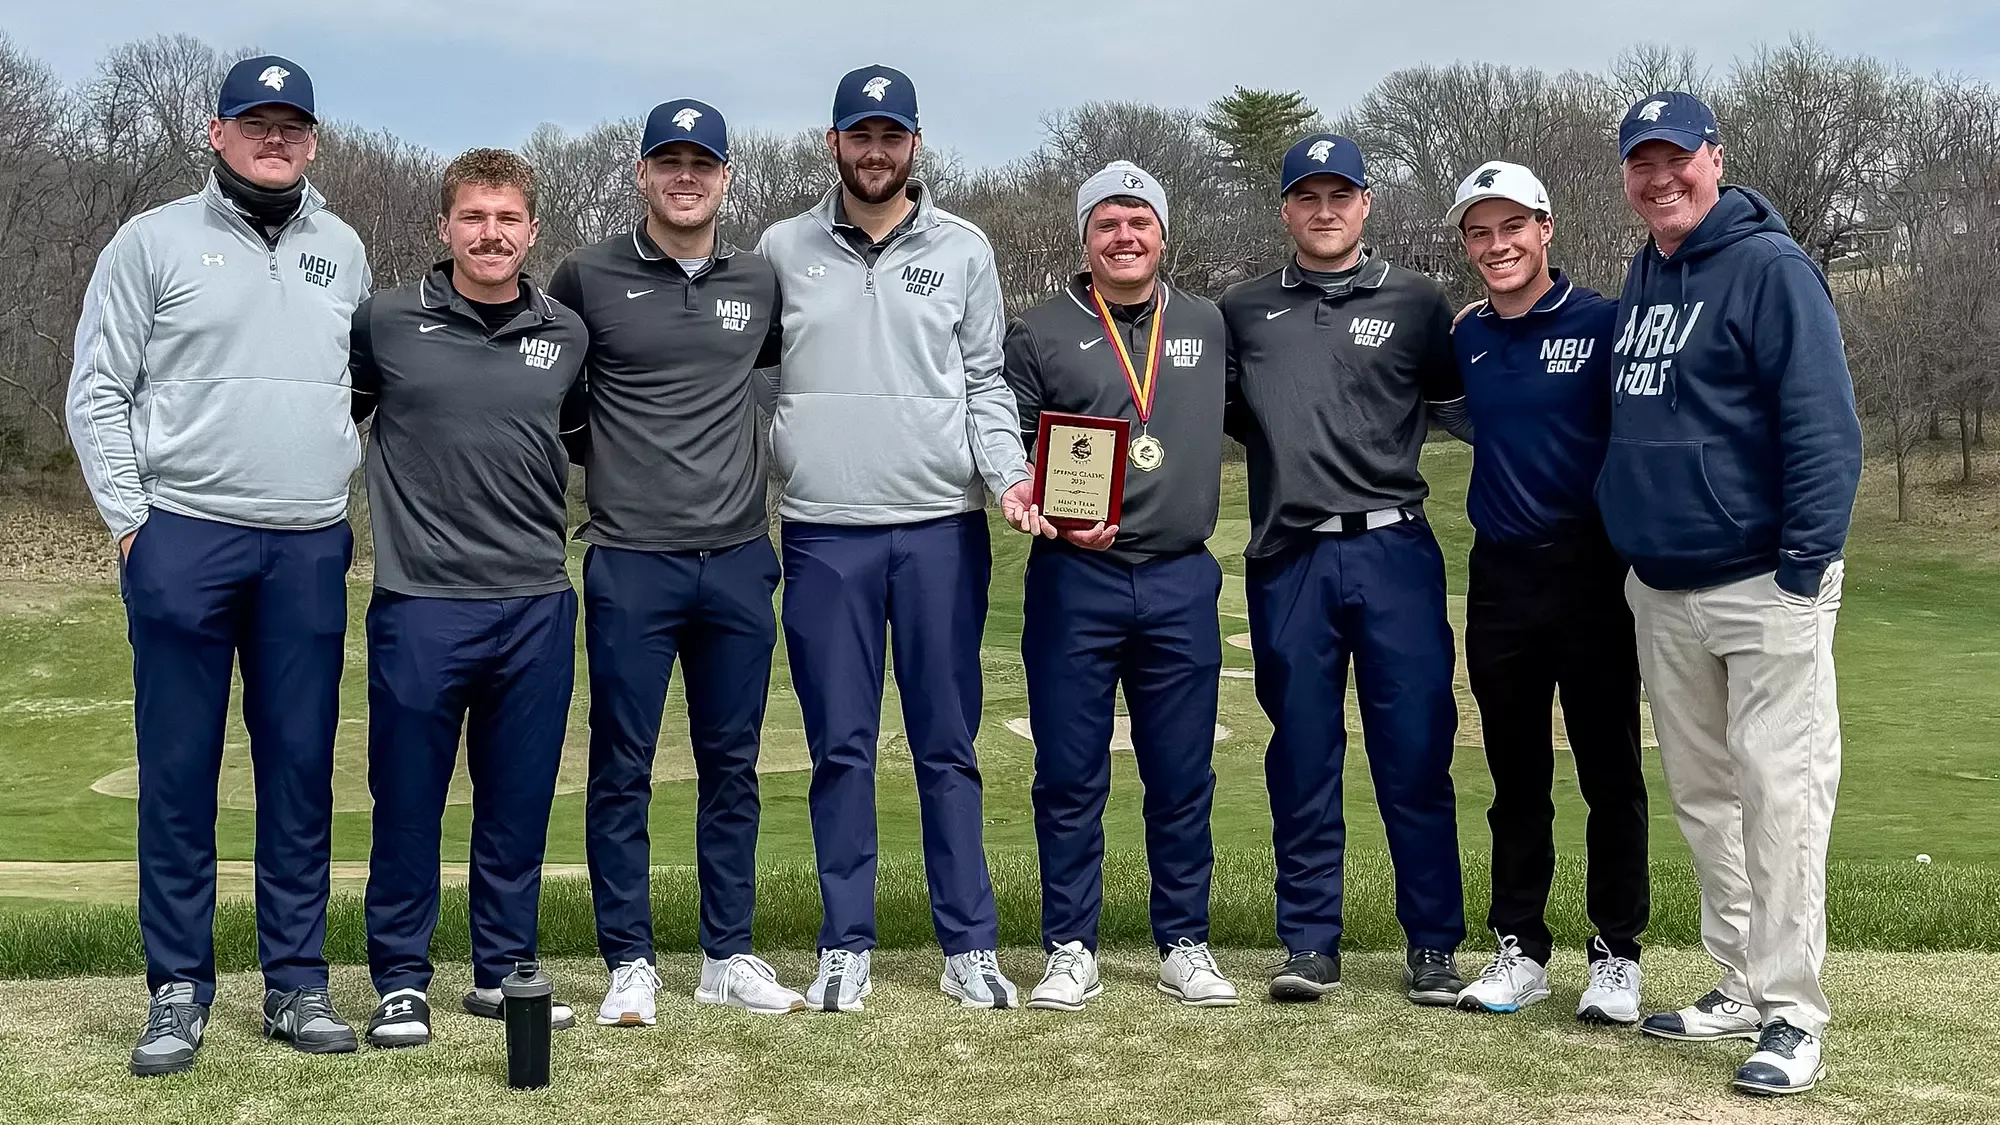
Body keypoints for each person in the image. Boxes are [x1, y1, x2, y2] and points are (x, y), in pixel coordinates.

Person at [67, 54, 369, 1076]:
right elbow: (97, 388)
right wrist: (130, 523)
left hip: (307, 543)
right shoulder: (150, 240)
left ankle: (295, 984)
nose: (273, 138)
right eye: (255, 121)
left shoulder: (344, 247)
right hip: (183, 536)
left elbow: (349, 390)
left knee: (298, 770)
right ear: (216, 130)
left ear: (313, 138)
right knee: (181, 774)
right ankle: (178, 990)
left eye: (291, 122)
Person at [755, 64, 1040, 1011]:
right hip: (825, 533)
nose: (875, 151)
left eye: (892, 135)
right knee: (840, 745)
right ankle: (845, 942)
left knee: (945, 744)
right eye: (859, 135)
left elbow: (987, 382)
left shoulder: (964, 248)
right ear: (831, 142)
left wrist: (1008, 475)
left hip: (939, 531)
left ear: (916, 144)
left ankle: (968, 943)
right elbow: (749, 386)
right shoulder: (780, 248)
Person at [1601, 92, 1861, 1097]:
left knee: (1780, 796)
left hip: (1763, 582)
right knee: (1705, 797)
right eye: (1640, 164)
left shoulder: (1769, 268)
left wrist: (1801, 569)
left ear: (1715, 157)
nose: (1658, 178)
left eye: (1676, 159)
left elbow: (1822, 430)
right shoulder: (1644, 270)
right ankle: (1739, 984)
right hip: (1662, 587)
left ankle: (1792, 1012)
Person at [545, 99, 805, 1024]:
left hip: (737, 555)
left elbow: (771, 375)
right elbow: (559, 397)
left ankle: (726, 953)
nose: (685, 176)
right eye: (669, 161)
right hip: (629, 558)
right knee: (622, 763)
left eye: (703, 162)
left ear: (727, 176)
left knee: (731, 763)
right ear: (644, 173)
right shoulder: (588, 276)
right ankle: (630, 959)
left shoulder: (760, 280)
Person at [1218, 133, 1473, 1007]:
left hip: (1394, 549)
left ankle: (1434, 943)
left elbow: (1459, 409)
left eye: (1341, 195)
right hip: (1290, 555)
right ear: (1285, 209)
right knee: (1302, 752)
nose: (1324, 212)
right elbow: (1221, 418)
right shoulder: (1242, 312)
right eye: (1307, 197)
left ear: (1366, 203)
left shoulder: (1416, 301)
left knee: (1415, 753)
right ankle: (1309, 941)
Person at [350, 147, 587, 1048]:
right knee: (407, 796)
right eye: (474, 218)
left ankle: (502, 971)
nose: (491, 234)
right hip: (421, 600)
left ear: (532, 230)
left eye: (509, 219)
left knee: (517, 800)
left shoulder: (565, 332)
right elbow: (338, 416)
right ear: (443, 227)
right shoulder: (385, 322)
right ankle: (402, 979)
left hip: (534, 599)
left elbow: (578, 439)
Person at [1002, 161, 1237, 1011]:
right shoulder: (1039, 330)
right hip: (1075, 576)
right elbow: (1014, 441)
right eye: (1107, 223)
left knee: (1182, 772)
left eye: (1140, 221)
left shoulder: (1210, 323)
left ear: (1164, 234)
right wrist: (1039, 504)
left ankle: (1185, 941)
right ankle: (1071, 945)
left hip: (1178, 574)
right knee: (1069, 773)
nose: (1125, 236)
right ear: (1084, 238)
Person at [1441, 161, 1648, 1023]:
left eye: (1512, 228)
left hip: (1593, 572)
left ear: (1546, 227)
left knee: (1610, 773)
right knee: (1515, 775)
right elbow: (1460, 415)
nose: (1498, 246)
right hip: (1501, 574)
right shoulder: (1466, 336)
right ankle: (1520, 947)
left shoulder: (1604, 321)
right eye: (1480, 234)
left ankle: (1616, 955)